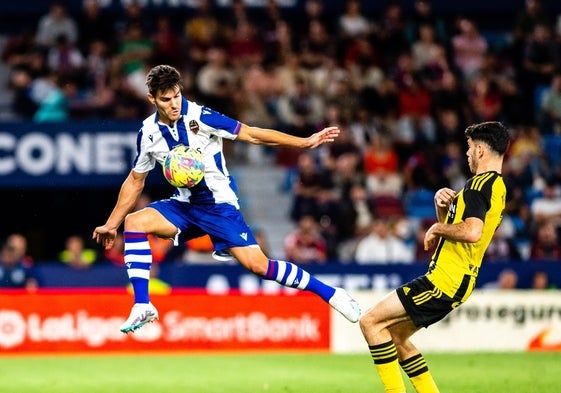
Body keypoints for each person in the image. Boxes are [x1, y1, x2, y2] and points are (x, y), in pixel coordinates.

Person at [92, 64, 360, 333]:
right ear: (152, 98)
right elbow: (136, 180)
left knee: (258, 265)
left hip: (219, 206)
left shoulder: (200, 117)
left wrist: (304, 142)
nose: (174, 103)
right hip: (184, 205)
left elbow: (252, 133)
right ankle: (142, 304)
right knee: (134, 222)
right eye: (166, 99)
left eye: (176, 95)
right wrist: (111, 224)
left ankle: (331, 294)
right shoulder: (148, 133)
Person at [359, 121, 510, 393]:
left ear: (480, 151)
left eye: (469, 148)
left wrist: (436, 226)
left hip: (444, 280)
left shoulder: (477, 186)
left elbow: (472, 232)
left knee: (369, 322)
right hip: (457, 280)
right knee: (396, 337)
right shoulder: (496, 187)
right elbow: (464, 234)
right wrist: (444, 210)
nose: (466, 154)